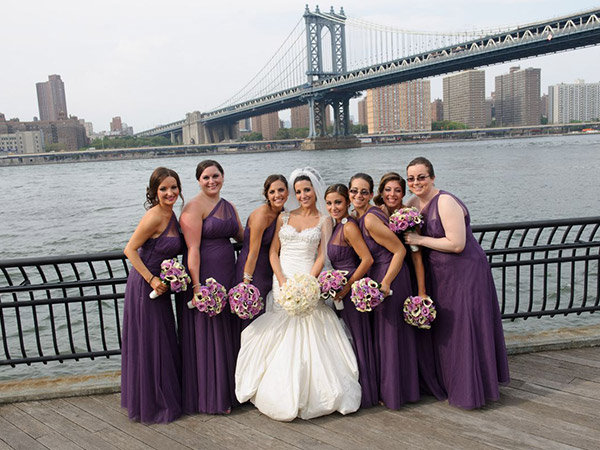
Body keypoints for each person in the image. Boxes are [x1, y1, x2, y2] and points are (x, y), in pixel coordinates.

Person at [235, 168, 362, 421]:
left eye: (307, 190)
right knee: (282, 323)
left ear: (315, 191)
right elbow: (273, 252)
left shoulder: (325, 220)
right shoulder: (284, 217)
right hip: (282, 274)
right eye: (299, 191)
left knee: (310, 324)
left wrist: (309, 280)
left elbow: (322, 255)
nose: (303, 195)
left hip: (308, 275)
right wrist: (282, 279)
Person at [404, 156, 510, 409]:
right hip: (440, 275)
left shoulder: (445, 201)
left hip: (465, 272)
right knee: (449, 330)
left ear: (432, 177)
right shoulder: (413, 203)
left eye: (422, 177)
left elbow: (457, 243)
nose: (416, 182)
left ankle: (473, 389)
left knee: (466, 327)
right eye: (411, 178)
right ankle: (451, 382)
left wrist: (419, 240)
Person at [177, 160, 244, 415]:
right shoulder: (193, 207)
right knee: (211, 333)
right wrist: (197, 288)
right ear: (198, 180)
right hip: (205, 275)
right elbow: (192, 249)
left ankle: (232, 390)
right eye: (206, 177)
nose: (211, 181)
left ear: (223, 177)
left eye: (215, 176)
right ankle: (214, 396)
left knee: (228, 329)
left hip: (229, 273)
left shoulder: (229, 206)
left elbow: (241, 236)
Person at [349, 172, 420, 409]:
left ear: (371, 194)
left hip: (390, 276)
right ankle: (397, 389)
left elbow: (399, 251)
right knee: (386, 335)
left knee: (389, 335)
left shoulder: (369, 219)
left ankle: (394, 393)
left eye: (363, 192)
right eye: (354, 191)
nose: (358, 195)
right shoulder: (365, 214)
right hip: (379, 275)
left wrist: (386, 283)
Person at [374, 172, 446, 401]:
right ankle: (385, 387)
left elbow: (416, 257)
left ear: (403, 193)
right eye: (387, 190)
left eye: (397, 190)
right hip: (378, 277)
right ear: (381, 192)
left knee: (398, 335)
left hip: (401, 278)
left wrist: (422, 292)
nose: (392, 194)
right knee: (383, 336)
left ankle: (401, 389)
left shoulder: (407, 217)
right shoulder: (374, 214)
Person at [121, 167, 183, 423]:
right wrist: (152, 279)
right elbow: (130, 250)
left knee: (163, 339)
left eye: (173, 187)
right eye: (163, 189)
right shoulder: (154, 216)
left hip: (161, 288)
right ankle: (153, 403)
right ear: (154, 192)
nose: (170, 193)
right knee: (151, 342)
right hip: (145, 286)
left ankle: (164, 396)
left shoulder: (172, 213)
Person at [325, 184, 378, 408]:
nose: (333, 207)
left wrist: (347, 287)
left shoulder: (348, 227)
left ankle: (369, 391)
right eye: (329, 203)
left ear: (347, 202)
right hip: (341, 291)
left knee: (358, 338)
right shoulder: (337, 225)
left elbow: (367, 259)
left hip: (351, 291)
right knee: (350, 340)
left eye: (338, 202)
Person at [234, 174, 288, 328]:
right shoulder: (261, 216)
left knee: (269, 315)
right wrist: (246, 285)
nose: (277, 195)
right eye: (272, 192)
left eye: (281, 190)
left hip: (270, 269)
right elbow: (253, 252)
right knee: (254, 315)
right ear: (266, 195)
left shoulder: (284, 212)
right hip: (253, 269)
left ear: (287, 192)